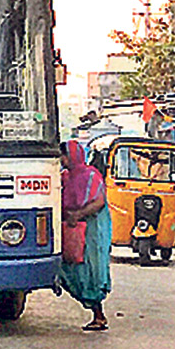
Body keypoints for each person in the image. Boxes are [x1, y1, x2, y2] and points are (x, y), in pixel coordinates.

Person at [59, 139, 112, 331]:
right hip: (74, 229)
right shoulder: (67, 176)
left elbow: (98, 202)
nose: (62, 160)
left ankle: (99, 315)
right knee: (71, 268)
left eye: (64, 155)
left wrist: (78, 214)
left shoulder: (91, 175)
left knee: (91, 270)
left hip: (92, 231)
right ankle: (95, 311)